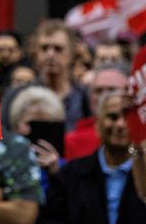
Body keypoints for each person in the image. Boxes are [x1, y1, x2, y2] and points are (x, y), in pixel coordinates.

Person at [39, 90, 146, 223]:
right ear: (98, 124)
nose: (120, 124)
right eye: (113, 117)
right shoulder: (69, 175)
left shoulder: (144, 171)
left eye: (128, 117)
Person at [31, 19, 89, 131]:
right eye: (44, 48)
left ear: (71, 54)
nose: (50, 54)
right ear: (36, 53)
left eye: (58, 49)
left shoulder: (84, 96)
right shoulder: (21, 95)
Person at [64, 62, 130, 160]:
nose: (103, 97)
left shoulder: (139, 137)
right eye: (98, 91)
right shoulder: (71, 141)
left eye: (112, 90)